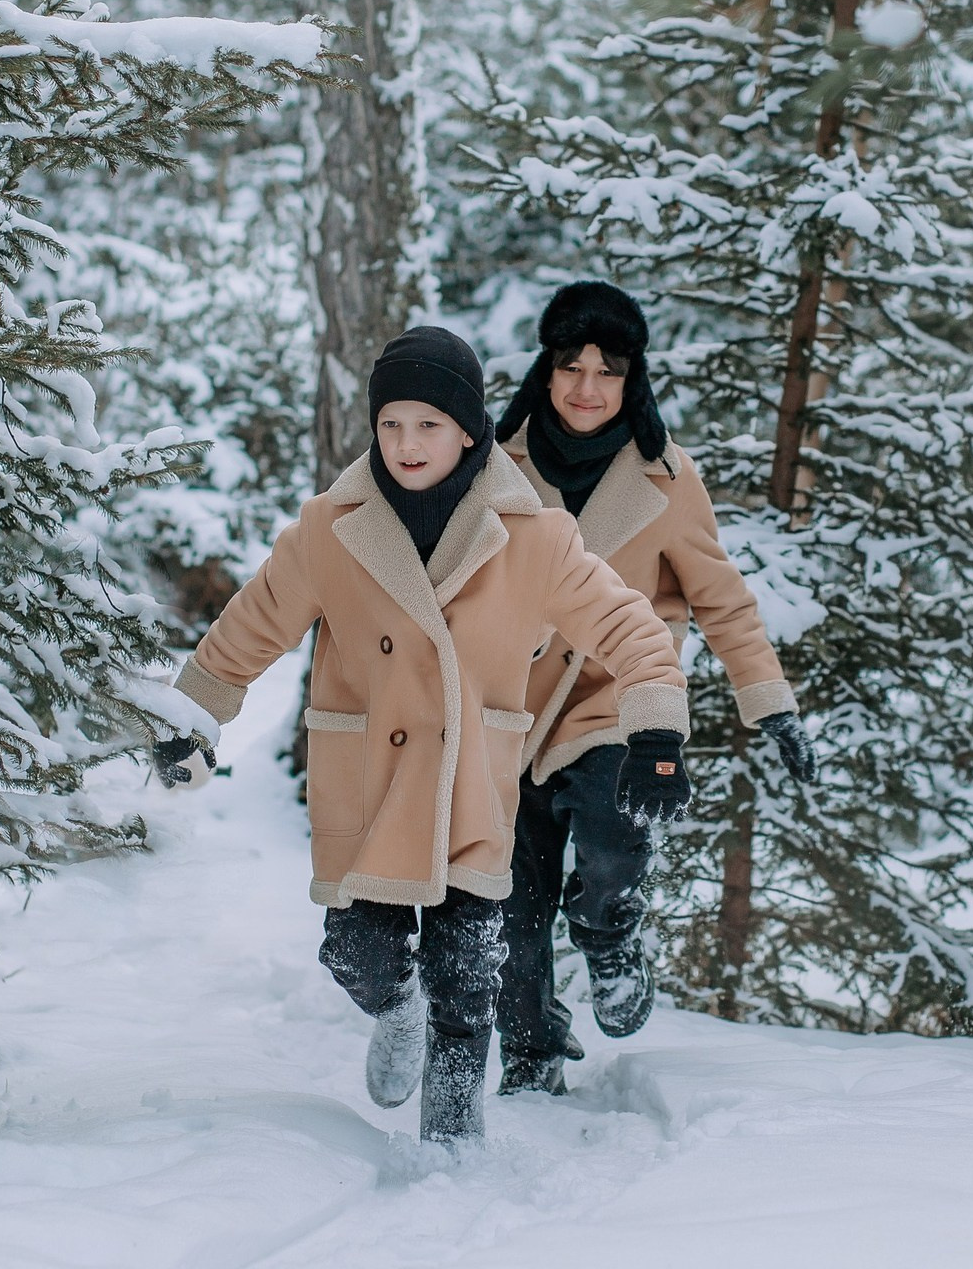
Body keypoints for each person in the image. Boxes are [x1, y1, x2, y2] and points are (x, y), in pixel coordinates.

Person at [151, 325, 692, 1147]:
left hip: (474, 790)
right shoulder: (331, 529)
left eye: (429, 424)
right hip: (372, 791)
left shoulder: (535, 536)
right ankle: (395, 1011)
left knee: (468, 978)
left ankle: (452, 1143)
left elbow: (630, 626)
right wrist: (196, 717)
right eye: (392, 423)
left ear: (469, 429)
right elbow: (250, 627)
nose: (407, 443)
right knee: (360, 957)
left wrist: (655, 729)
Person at [492, 282, 817, 1096]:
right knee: (511, 910)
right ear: (547, 370)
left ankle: (609, 936)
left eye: (607, 369)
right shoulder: (497, 466)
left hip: (618, 704)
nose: (587, 387)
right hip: (509, 713)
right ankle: (531, 1056)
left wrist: (768, 702)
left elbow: (721, 600)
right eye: (571, 366)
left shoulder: (668, 479)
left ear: (632, 379)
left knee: (612, 841)